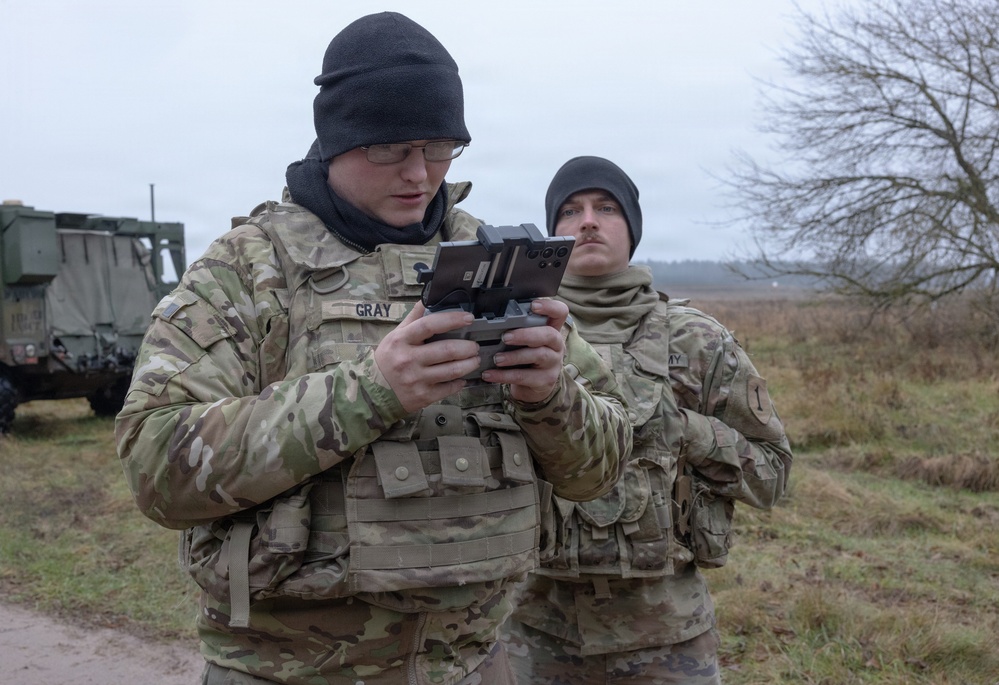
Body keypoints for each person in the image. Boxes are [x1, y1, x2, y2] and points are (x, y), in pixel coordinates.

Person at [115, 17, 631, 685]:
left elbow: (601, 470)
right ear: (336, 141)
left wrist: (549, 395)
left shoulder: (495, 258)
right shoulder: (249, 270)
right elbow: (156, 466)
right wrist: (369, 390)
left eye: (441, 147)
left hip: (474, 664)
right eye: (390, 149)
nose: (419, 173)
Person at [502, 156, 793, 684]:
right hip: (528, 630)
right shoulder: (513, 334)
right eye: (570, 211)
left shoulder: (697, 340)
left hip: (667, 637)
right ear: (552, 235)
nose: (588, 220)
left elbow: (772, 474)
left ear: (632, 228)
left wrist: (683, 429)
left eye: (606, 207)